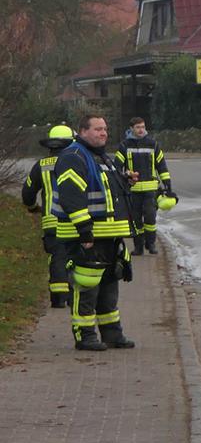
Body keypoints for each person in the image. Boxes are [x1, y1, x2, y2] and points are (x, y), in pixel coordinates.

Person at [53, 113, 136, 351]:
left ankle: (112, 334)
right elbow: (72, 197)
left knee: (109, 286)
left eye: (105, 129)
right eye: (98, 129)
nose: (103, 133)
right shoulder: (74, 156)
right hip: (88, 237)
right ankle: (85, 336)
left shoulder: (101, 158)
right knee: (86, 287)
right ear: (82, 131)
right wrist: (85, 233)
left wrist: (125, 181)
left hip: (108, 235)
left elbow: (106, 191)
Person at [19, 124, 76, 308]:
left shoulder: (41, 166)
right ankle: (74, 293)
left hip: (51, 222)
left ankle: (58, 298)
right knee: (77, 256)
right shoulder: (78, 162)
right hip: (77, 220)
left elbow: (27, 193)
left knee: (57, 256)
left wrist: (33, 207)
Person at [117, 116, 173, 256]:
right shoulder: (124, 145)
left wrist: (167, 184)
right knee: (136, 220)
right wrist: (127, 174)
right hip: (133, 190)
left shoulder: (152, 144)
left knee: (150, 218)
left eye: (142, 127)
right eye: (138, 127)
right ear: (131, 129)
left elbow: (161, 165)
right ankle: (138, 247)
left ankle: (151, 244)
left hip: (150, 190)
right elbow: (117, 167)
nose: (141, 130)